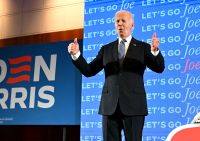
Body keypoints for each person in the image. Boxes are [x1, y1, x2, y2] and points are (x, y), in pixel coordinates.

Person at [68, 10, 165, 141]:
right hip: (109, 107)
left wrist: (155, 52)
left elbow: (159, 68)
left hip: (134, 107)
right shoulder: (106, 49)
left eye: (123, 21)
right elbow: (89, 71)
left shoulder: (143, 47)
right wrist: (76, 55)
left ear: (132, 25)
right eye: (117, 21)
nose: (120, 24)